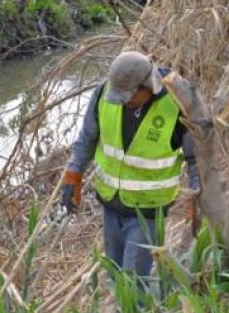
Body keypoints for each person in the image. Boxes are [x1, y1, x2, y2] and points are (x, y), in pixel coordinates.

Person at [59, 50, 201, 287]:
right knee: (115, 274)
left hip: (148, 211)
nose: (123, 103)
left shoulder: (177, 102)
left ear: (148, 86)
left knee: (133, 281)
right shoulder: (104, 92)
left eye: (128, 97)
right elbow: (87, 138)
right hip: (111, 204)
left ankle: (138, 309)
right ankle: (124, 309)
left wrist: (198, 193)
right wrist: (74, 173)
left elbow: (197, 157)